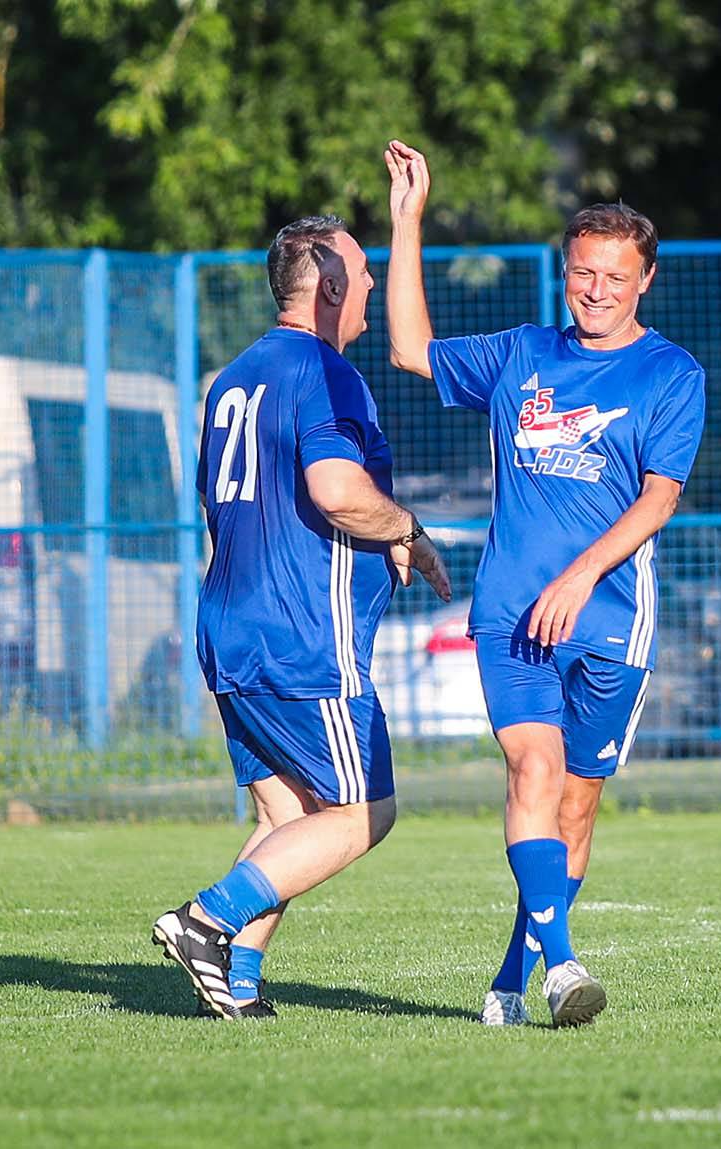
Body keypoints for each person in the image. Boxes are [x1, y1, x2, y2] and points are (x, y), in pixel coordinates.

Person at [384, 139, 706, 1027]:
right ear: (565, 273)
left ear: (645, 281)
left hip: (610, 622)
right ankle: (564, 966)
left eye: (613, 275)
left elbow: (659, 499)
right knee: (533, 765)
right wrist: (409, 219)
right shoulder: (520, 353)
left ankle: (510, 977)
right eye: (581, 272)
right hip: (512, 616)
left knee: (577, 804)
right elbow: (410, 348)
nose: (594, 288)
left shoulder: (672, 373)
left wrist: (580, 572)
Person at [151, 215, 453, 1018]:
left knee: (287, 814)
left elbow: (234, 505)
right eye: (362, 274)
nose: (371, 289)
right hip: (303, 639)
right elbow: (335, 490)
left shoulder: (234, 378)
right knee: (362, 812)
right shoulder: (326, 371)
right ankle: (206, 919)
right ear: (328, 287)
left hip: (231, 623)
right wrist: (408, 532)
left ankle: (235, 983)